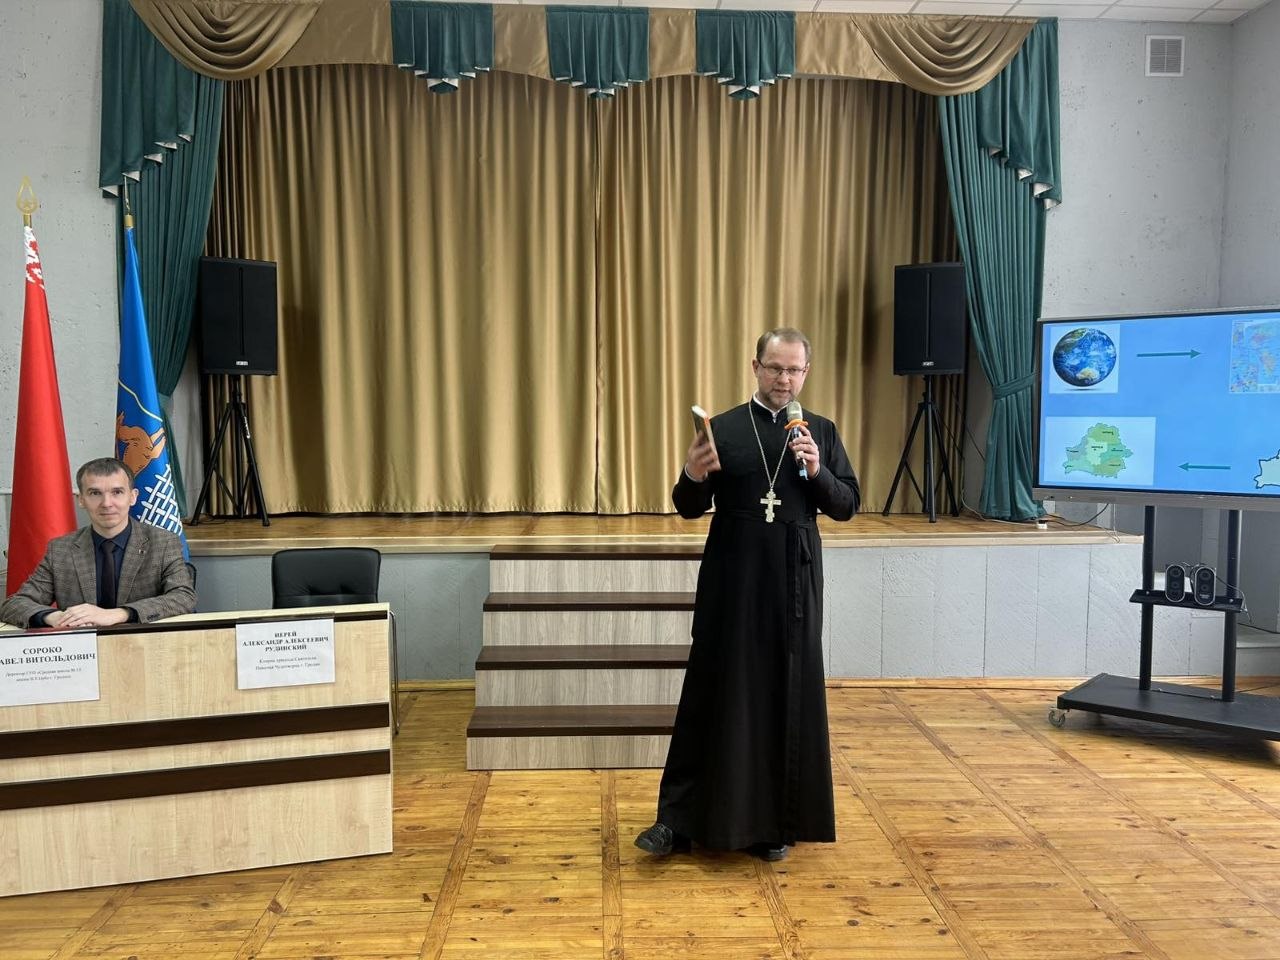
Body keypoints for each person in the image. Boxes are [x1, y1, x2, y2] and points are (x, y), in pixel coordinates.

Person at [635, 327, 860, 861]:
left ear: (806, 372)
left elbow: (847, 504)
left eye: (794, 370)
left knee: (784, 693)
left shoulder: (820, 431)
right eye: (775, 368)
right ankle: (678, 821)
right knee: (713, 690)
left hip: (793, 581)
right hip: (732, 577)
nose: (784, 379)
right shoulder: (724, 429)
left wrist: (817, 471)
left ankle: (772, 825)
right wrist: (691, 475)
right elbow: (688, 507)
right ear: (755, 367)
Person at [1, 457, 196, 629]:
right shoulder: (60, 549)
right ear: (81, 500)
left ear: (132, 497)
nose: (107, 503)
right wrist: (55, 617)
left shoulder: (163, 542)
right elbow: (14, 604)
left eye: (117, 492)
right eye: (95, 493)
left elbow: (183, 597)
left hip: (143, 647)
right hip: (81, 651)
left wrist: (118, 614)